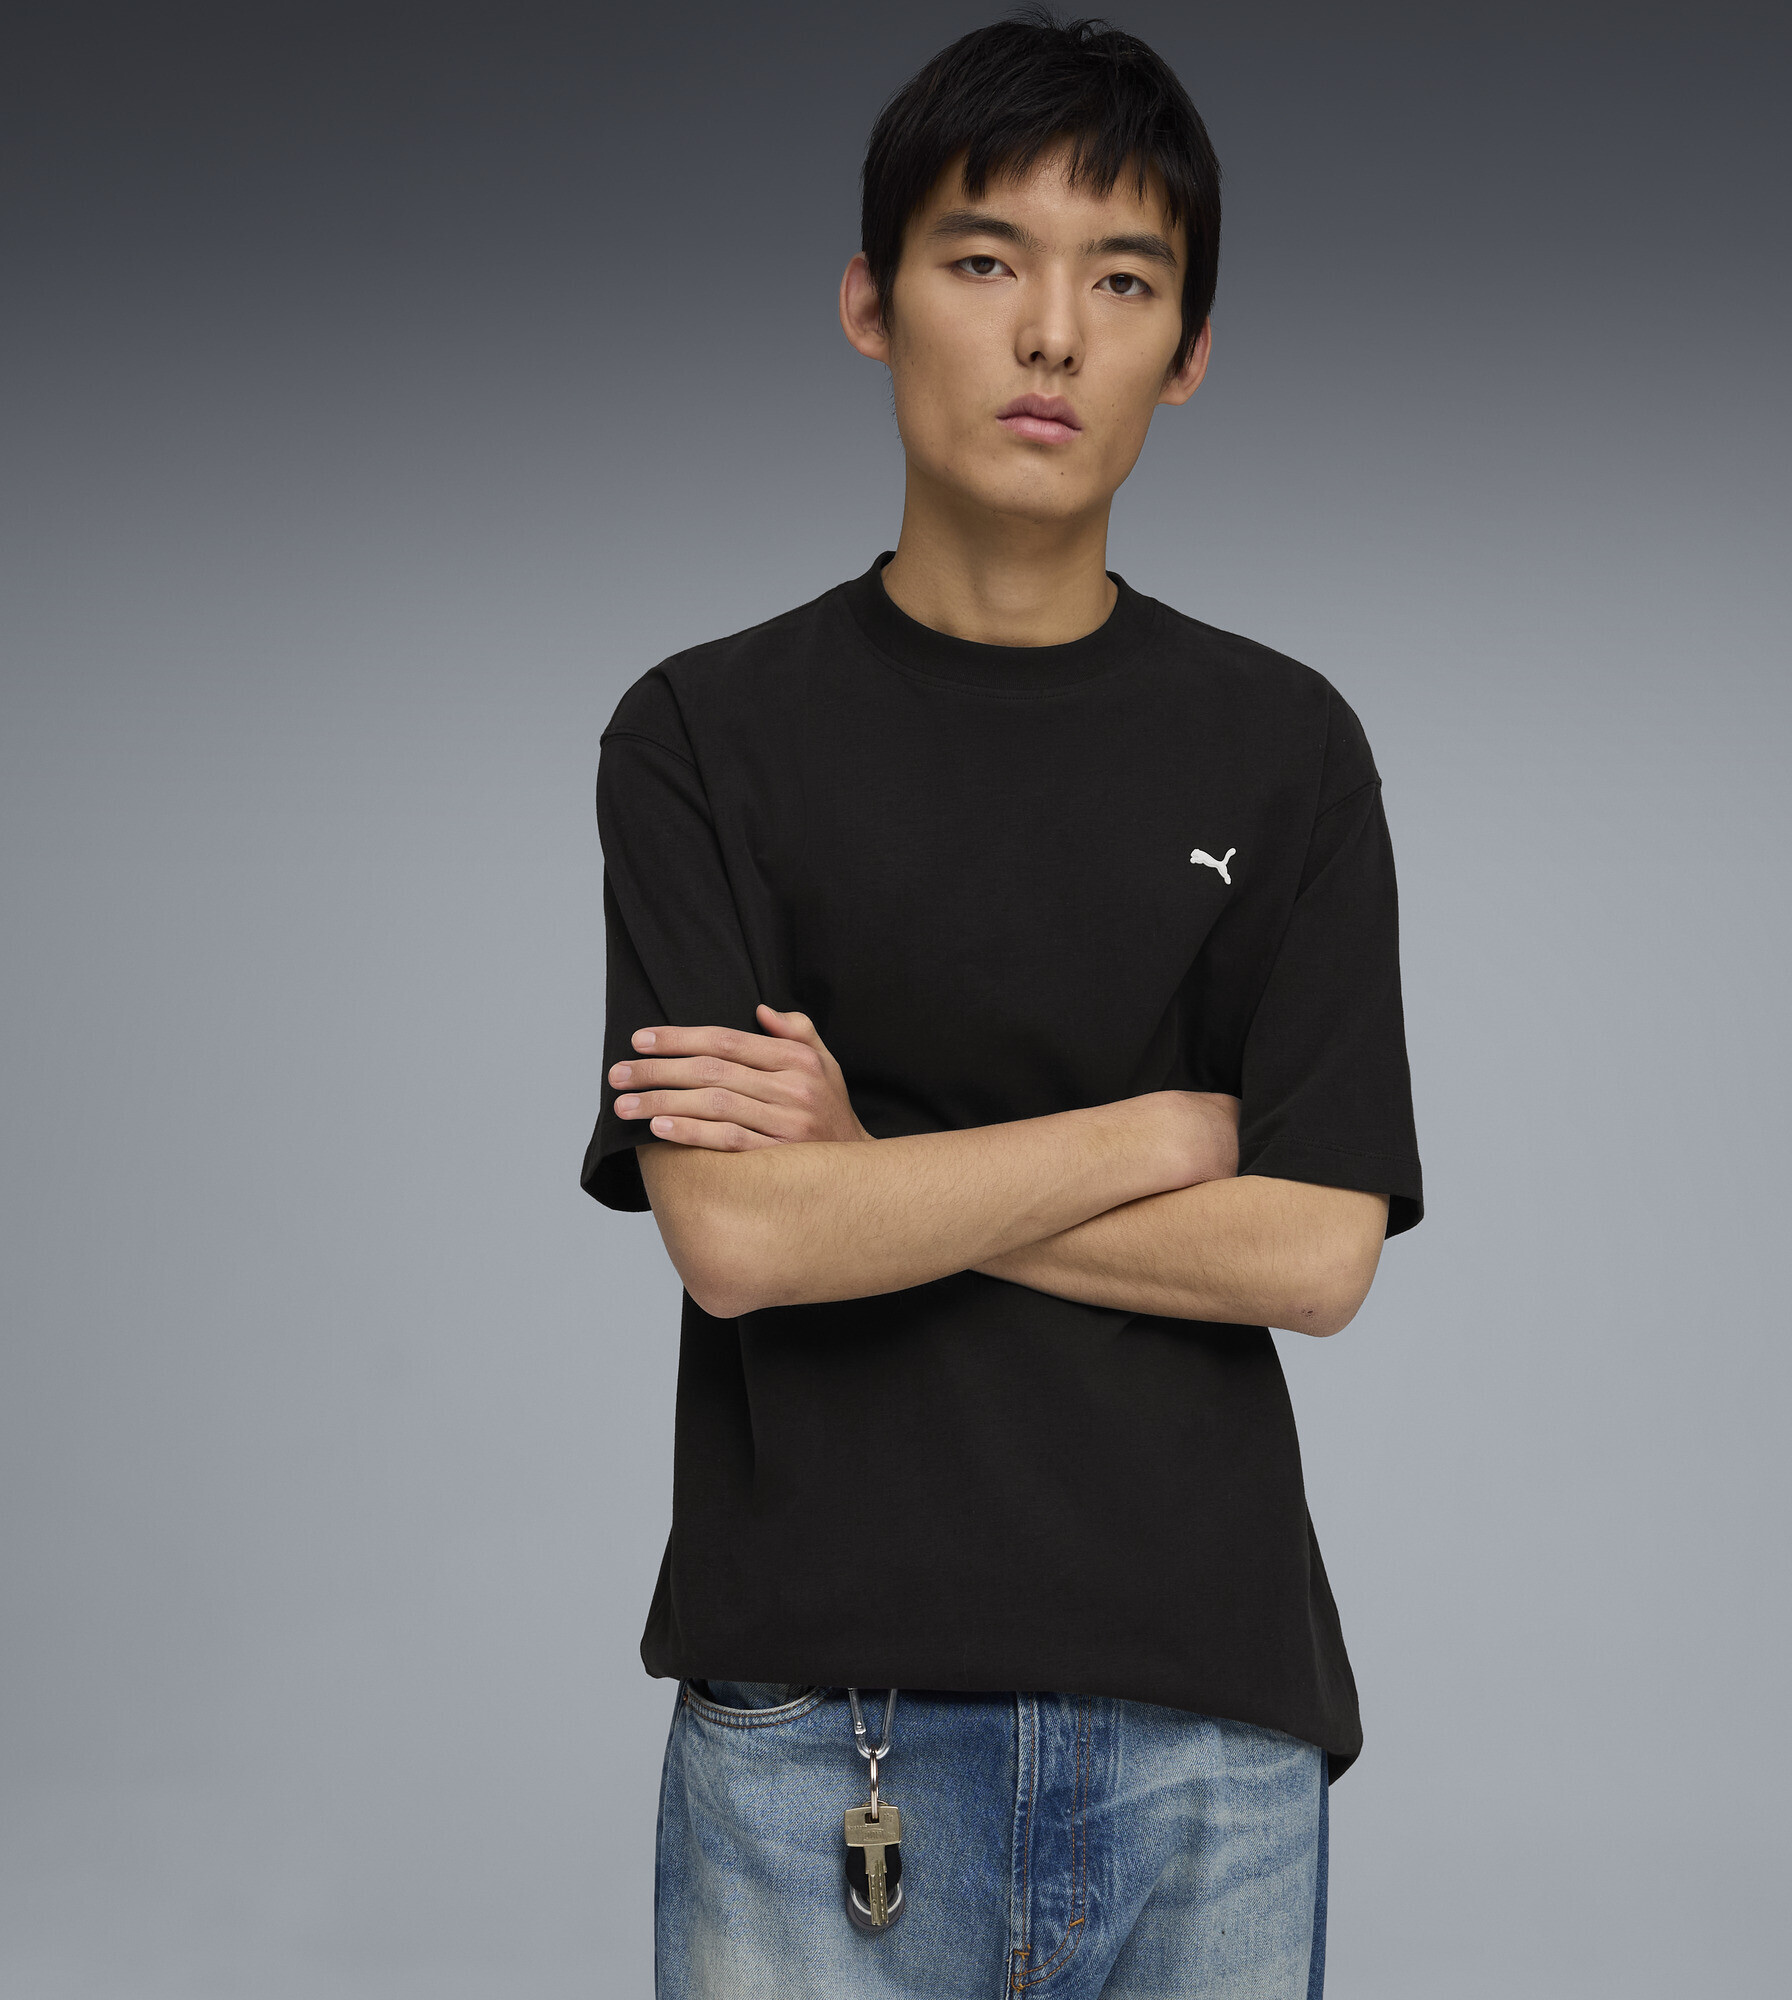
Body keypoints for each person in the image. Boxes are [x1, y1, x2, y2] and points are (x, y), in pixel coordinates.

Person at [581, 12, 1423, 1996]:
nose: (1051, 334)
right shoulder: (705, 734)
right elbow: (740, 1240)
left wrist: (872, 1164)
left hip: (1209, 1719)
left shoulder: (1286, 747)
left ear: (1185, 350)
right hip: (816, 1716)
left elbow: (1314, 1255)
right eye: (984, 260)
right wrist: (1158, 1135)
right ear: (870, 303)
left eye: (1122, 281)